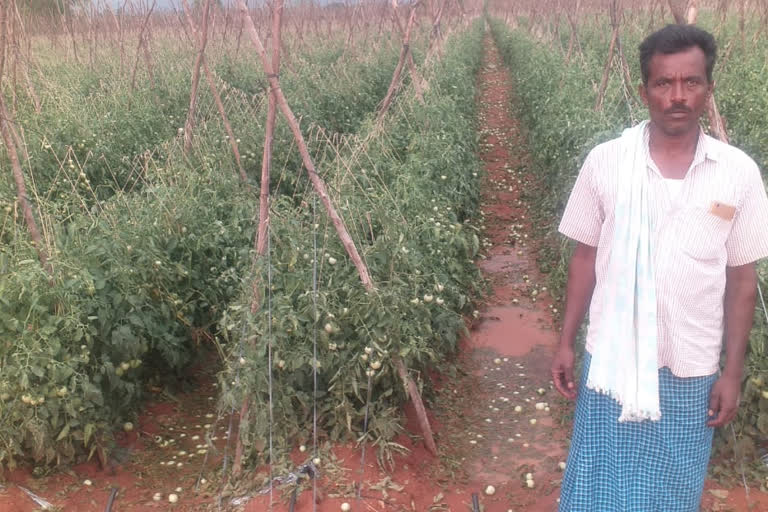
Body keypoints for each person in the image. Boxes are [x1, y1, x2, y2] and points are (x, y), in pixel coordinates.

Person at [551, 24, 768, 511]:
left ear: (709, 89)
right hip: (612, 357)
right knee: (599, 478)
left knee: (674, 484)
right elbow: (584, 256)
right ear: (643, 89)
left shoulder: (737, 174)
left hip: (690, 364)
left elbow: (741, 279)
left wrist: (731, 372)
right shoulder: (607, 163)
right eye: (663, 83)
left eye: (691, 82)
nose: (677, 96)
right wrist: (565, 341)